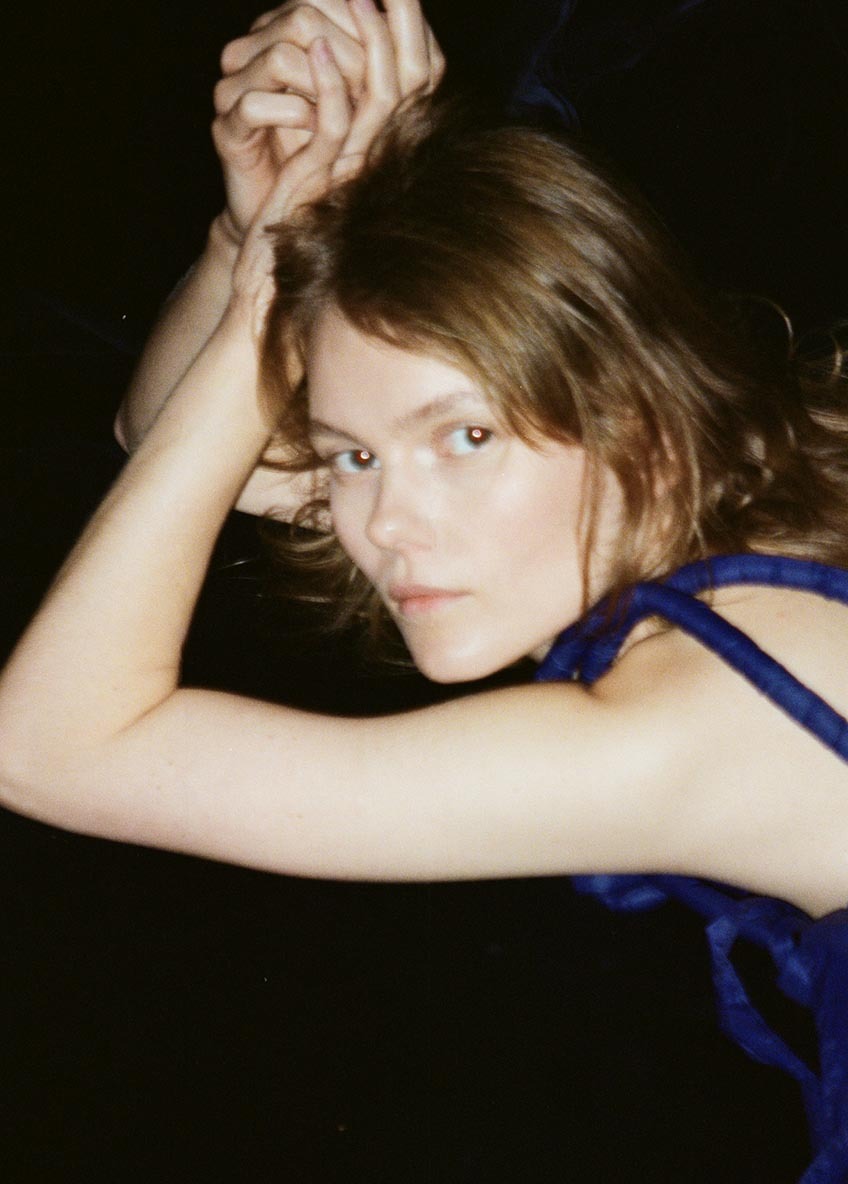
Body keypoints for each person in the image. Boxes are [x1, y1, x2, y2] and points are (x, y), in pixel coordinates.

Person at [2, 0, 848, 1177]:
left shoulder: (702, 715)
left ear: (637, 421)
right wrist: (257, 236)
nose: (383, 523)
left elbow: (49, 745)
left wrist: (274, 288)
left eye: (463, 436)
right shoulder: (766, 496)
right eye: (353, 453)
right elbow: (174, 444)